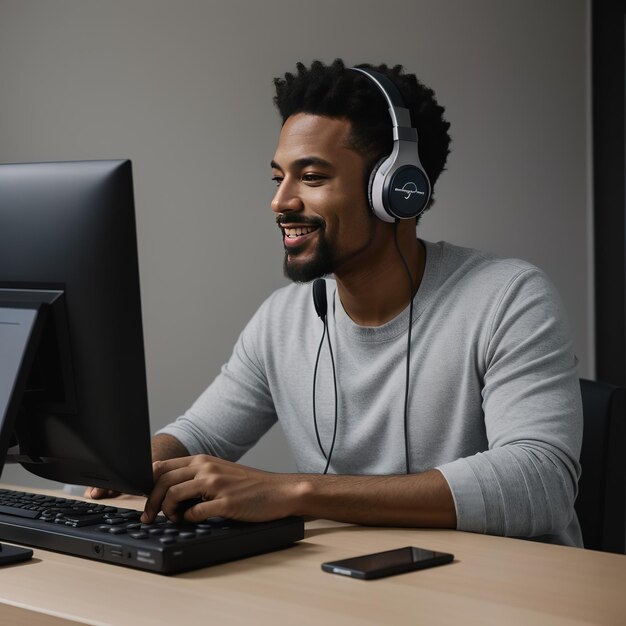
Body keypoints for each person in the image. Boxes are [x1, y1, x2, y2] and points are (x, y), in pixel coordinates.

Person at [88, 59, 583, 546]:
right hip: (358, 592)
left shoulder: (507, 297)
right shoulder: (283, 319)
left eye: (312, 177)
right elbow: (201, 434)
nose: (281, 201)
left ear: (395, 190)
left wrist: (295, 491)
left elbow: (540, 482)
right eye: (278, 176)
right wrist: (142, 463)